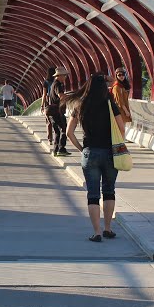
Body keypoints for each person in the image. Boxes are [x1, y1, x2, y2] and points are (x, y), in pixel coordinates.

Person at [64, 74, 126, 242]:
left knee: (92, 194)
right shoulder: (110, 104)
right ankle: (108, 229)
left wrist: (82, 149)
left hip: (89, 152)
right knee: (109, 191)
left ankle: (97, 232)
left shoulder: (80, 105)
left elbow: (69, 133)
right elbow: (121, 129)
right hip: (110, 153)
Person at [46, 68, 70, 157]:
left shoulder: (53, 84)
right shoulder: (58, 84)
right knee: (64, 129)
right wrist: (70, 97)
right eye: (64, 75)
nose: (65, 77)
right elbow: (61, 96)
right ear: (59, 76)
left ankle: (56, 150)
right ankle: (61, 149)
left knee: (57, 131)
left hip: (52, 111)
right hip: (57, 111)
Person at [43, 67, 56, 145]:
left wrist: (42, 105)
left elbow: (44, 95)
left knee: (48, 122)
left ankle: (50, 139)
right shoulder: (57, 81)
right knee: (57, 120)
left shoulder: (46, 82)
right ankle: (57, 137)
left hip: (48, 103)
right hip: (56, 102)